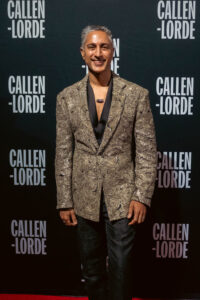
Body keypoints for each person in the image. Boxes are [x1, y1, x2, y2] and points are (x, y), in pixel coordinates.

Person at [55, 25, 157, 300]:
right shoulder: (66, 98)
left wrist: (141, 196)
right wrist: (64, 200)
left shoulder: (136, 95)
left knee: (122, 268)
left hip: (124, 197)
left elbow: (147, 152)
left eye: (104, 47)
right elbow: (63, 151)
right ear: (82, 53)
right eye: (92, 47)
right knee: (92, 269)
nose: (98, 53)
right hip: (83, 195)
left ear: (113, 52)